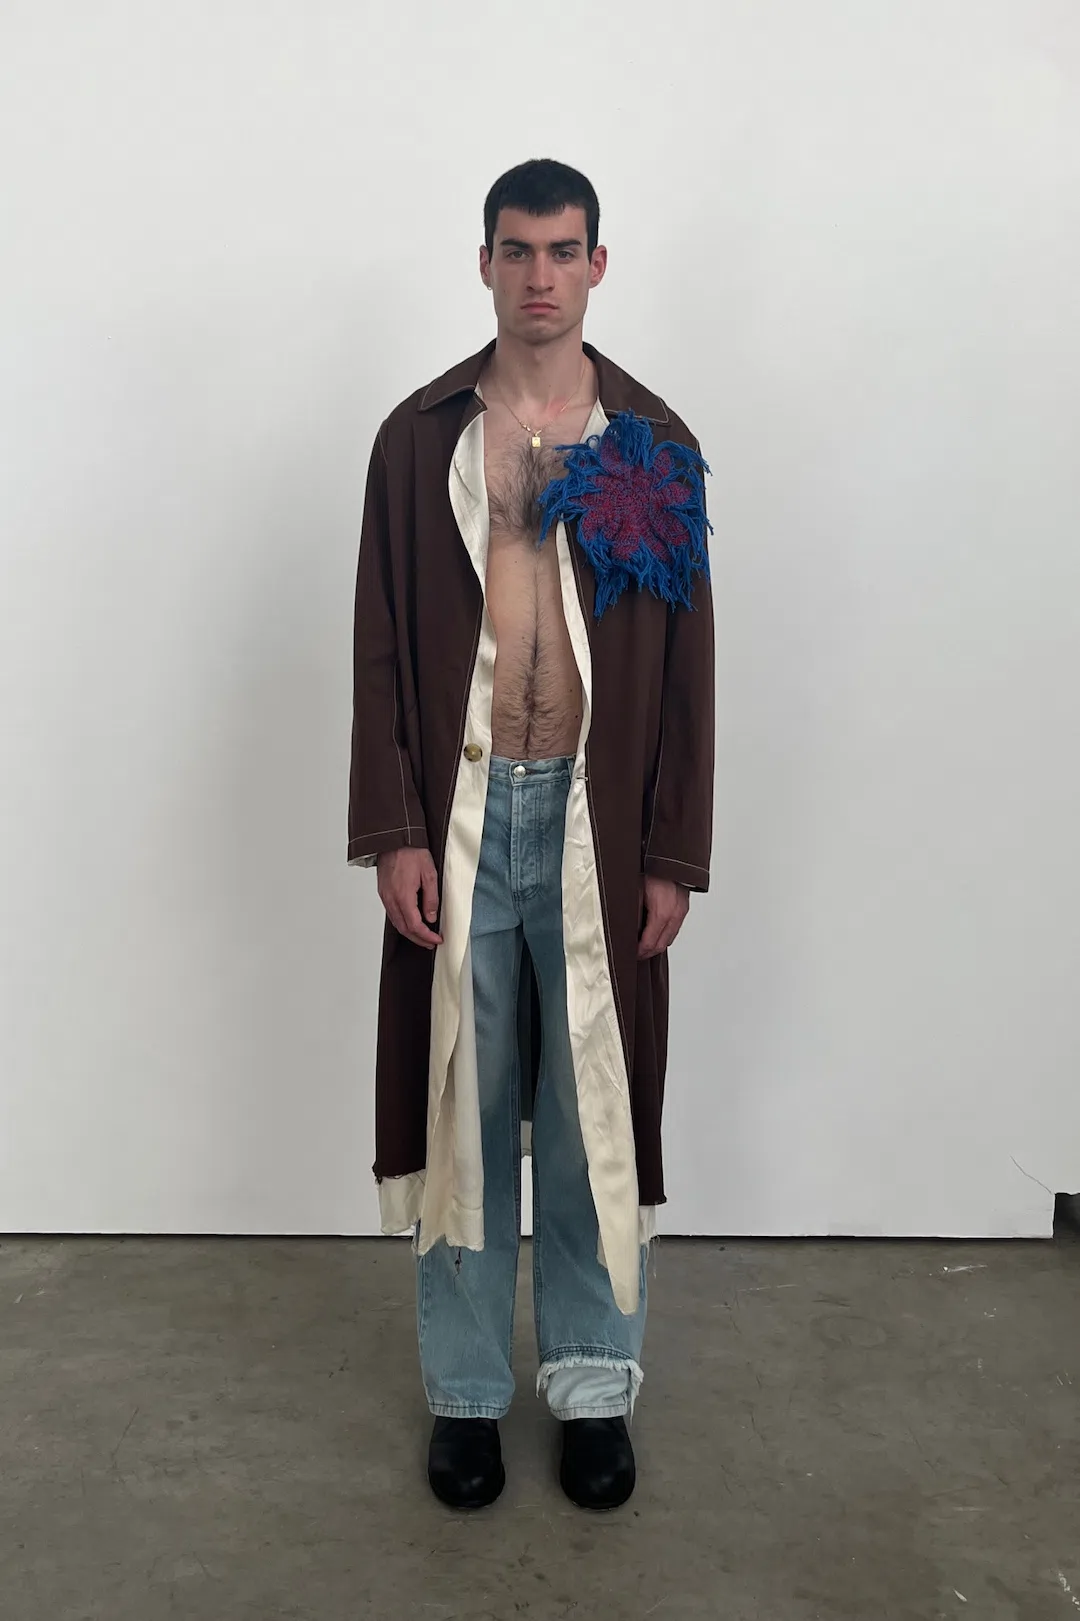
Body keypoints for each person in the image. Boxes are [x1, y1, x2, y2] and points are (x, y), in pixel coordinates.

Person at [348, 158, 715, 1512]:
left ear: (598, 264)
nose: (541, 276)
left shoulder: (652, 444)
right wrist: (395, 830)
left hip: (593, 825)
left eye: (565, 251)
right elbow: (382, 649)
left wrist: (672, 849)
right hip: (462, 814)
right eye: (518, 251)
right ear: (486, 263)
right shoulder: (419, 441)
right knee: (461, 1108)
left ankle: (595, 1387)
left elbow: (688, 663)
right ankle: (464, 1397)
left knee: (586, 1116)